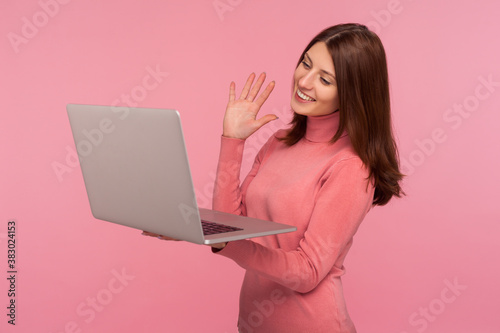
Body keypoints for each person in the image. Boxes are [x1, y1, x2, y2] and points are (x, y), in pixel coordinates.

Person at [145, 23, 404, 332]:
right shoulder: (279, 142)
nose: (304, 82)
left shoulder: (350, 167)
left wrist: (223, 242)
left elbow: (308, 272)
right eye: (306, 63)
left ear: (353, 93)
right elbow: (232, 221)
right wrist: (232, 140)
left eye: (325, 79)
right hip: (253, 322)